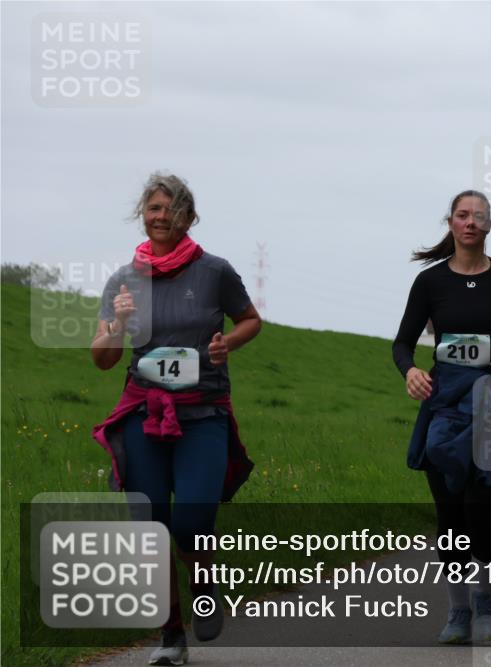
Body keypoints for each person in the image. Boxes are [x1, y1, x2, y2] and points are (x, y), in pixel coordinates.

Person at [91, 173, 262, 666]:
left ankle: (204, 580)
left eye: (168, 208)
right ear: (142, 215)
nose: (158, 216)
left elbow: (251, 319)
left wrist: (227, 342)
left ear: (188, 216)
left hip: (202, 412)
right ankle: (170, 635)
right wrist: (119, 325)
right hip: (143, 413)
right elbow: (101, 358)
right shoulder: (123, 280)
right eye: (151, 208)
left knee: (192, 517)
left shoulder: (215, 271)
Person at [392, 190, 491, 644]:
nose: (471, 222)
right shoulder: (431, 283)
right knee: (450, 512)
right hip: (445, 406)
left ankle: (486, 597)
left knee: (482, 506)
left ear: (490, 226)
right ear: (451, 222)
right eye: (462, 215)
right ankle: (457, 610)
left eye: (479, 216)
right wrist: (411, 369)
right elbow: (402, 342)